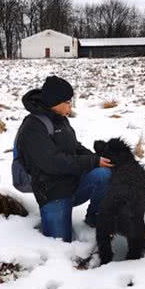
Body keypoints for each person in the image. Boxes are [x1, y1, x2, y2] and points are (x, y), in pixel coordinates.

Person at [16, 75, 114, 242]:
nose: (71, 106)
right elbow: (53, 162)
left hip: (73, 184)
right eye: (68, 102)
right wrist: (92, 162)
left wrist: (97, 159)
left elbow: (75, 147)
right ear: (56, 101)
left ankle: (95, 217)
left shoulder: (60, 119)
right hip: (53, 193)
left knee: (104, 174)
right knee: (60, 246)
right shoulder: (33, 127)